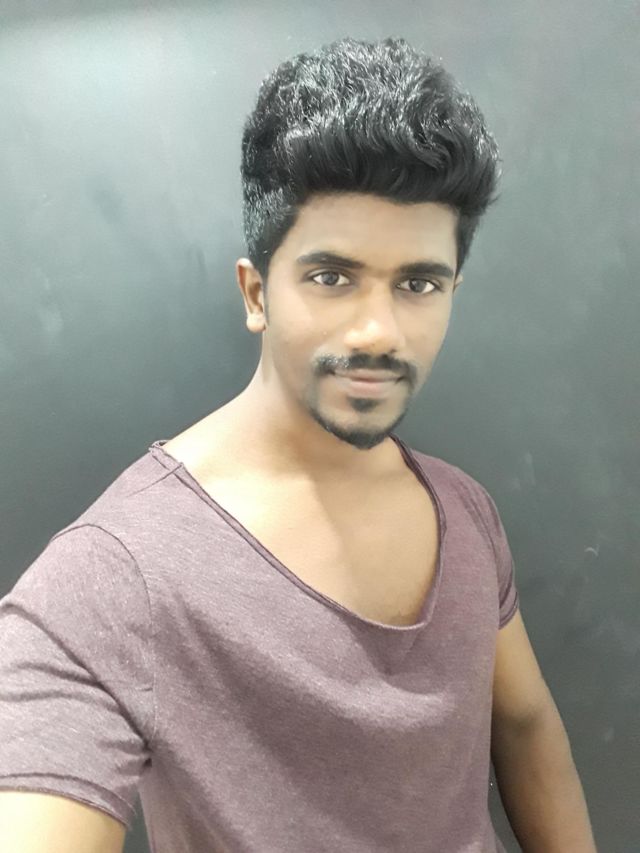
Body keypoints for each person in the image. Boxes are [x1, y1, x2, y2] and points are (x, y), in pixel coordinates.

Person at [0, 36, 596, 853]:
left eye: (417, 283)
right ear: (256, 292)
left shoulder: (465, 509)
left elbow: (525, 725)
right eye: (331, 276)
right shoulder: (112, 580)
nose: (378, 330)